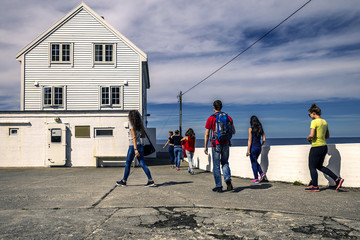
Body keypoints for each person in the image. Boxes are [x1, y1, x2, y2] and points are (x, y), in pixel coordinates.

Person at [305, 104, 344, 192]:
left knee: (312, 167)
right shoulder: (324, 122)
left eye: (309, 114)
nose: (310, 116)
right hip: (324, 146)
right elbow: (327, 135)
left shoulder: (314, 122)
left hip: (316, 147)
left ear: (313, 113)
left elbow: (311, 135)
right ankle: (337, 179)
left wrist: (308, 138)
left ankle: (315, 186)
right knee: (319, 166)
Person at [116, 110, 155, 187]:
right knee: (142, 163)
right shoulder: (140, 125)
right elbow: (142, 136)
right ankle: (150, 180)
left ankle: (124, 181)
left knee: (128, 163)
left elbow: (133, 137)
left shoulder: (131, 124)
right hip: (140, 145)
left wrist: (135, 149)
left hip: (133, 146)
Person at [204, 100, 236, 192]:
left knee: (216, 165)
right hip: (226, 143)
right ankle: (227, 178)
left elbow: (207, 134)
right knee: (225, 162)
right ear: (221, 107)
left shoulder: (211, 118)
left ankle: (219, 186)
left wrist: (205, 146)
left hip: (216, 144)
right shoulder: (228, 117)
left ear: (213, 107)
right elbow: (233, 131)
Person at [246, 116, 266, 183]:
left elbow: (250, 140)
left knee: (253, 162)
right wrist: (261, 145)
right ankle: (262, 174)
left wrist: (248, 150)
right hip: (259, 148)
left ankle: (256, 178)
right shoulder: (261, 129)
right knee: (255, 161)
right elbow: (264, 139)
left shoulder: (250, 129)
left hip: (253, 148)